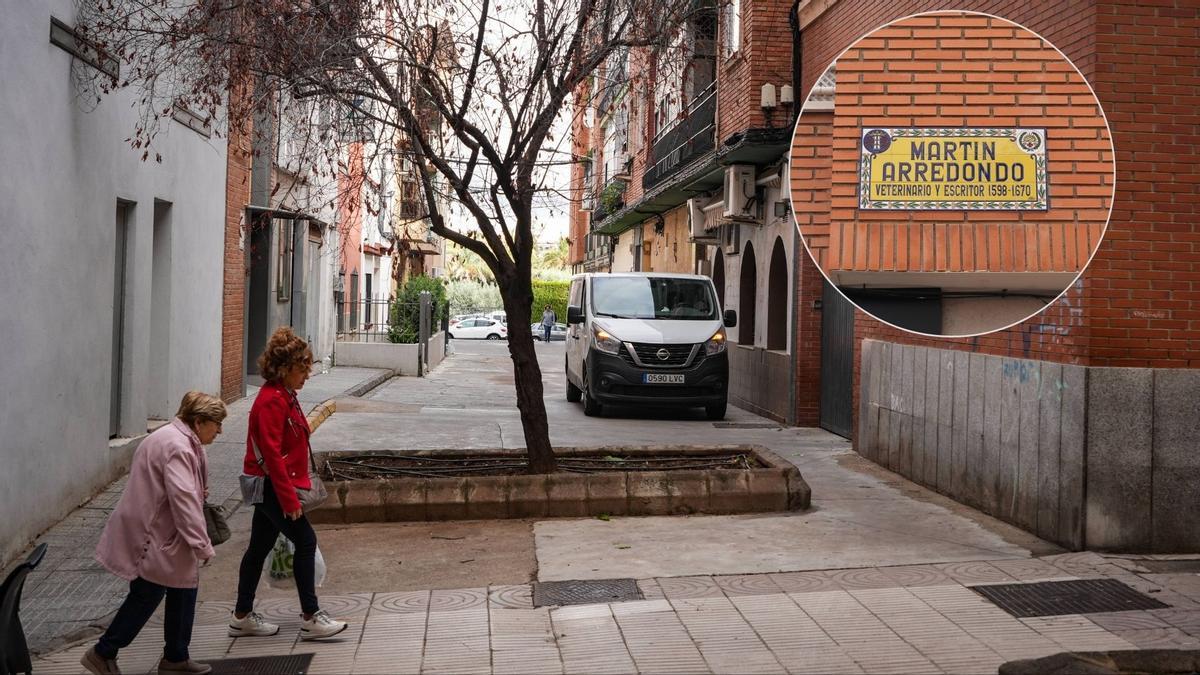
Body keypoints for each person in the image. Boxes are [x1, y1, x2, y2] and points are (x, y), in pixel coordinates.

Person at [82, 392, 227, 675]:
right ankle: (104, 651)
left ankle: (175, 657)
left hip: (158, 532)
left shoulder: (174, 437)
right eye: (216, 424)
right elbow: (183, 500)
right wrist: (202, 544)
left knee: (180, 589)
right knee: (149, 594)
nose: (220, 431)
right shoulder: (178, 447)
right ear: (199, 422)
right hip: (156, 535)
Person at [229, 327, 348, 641]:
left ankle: (242, 615)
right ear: (284, 370)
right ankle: (311, 616)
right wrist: (289, 500)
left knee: (258, 548)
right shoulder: (272, 401)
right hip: (270, 485)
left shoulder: (283, 396)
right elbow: (271, 454)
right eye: (301, 369)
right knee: (305, 542)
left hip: (271, 483)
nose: (307, 375)